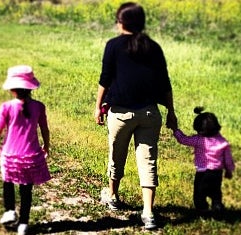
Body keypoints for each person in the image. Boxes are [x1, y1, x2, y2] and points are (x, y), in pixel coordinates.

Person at [93, 2, 177, 230]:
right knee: (148, 160)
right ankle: (148, 212)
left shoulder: (113, 46)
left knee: (116, 155)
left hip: (120, 113)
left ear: (121, 22)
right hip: (150, 113)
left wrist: (98, 105)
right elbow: (165, 83)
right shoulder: (154, 47)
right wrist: (171, 112)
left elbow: (105, 79)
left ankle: (112, 197)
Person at [0, 65, 51, 235]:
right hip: (30, 155)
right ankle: (24, 224)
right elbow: (44, 129)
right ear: (30, 87)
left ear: (12, 89)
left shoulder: (6, 107)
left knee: (8, 183)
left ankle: (10, 211)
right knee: (26, 190)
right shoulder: (39, 107)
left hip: (10, 155)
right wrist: (46, 146)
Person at [169, 107, 235, 217]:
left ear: (199, 129)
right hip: (217, 173)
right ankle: (217, 205)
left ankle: (203, 210)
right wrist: (229, 170)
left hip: (203, 173)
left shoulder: (199, 139)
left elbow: (183, 139)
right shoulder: (222, 141)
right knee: (216, 192)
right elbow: (227, 159)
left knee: (199, 193)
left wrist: (175, 130)